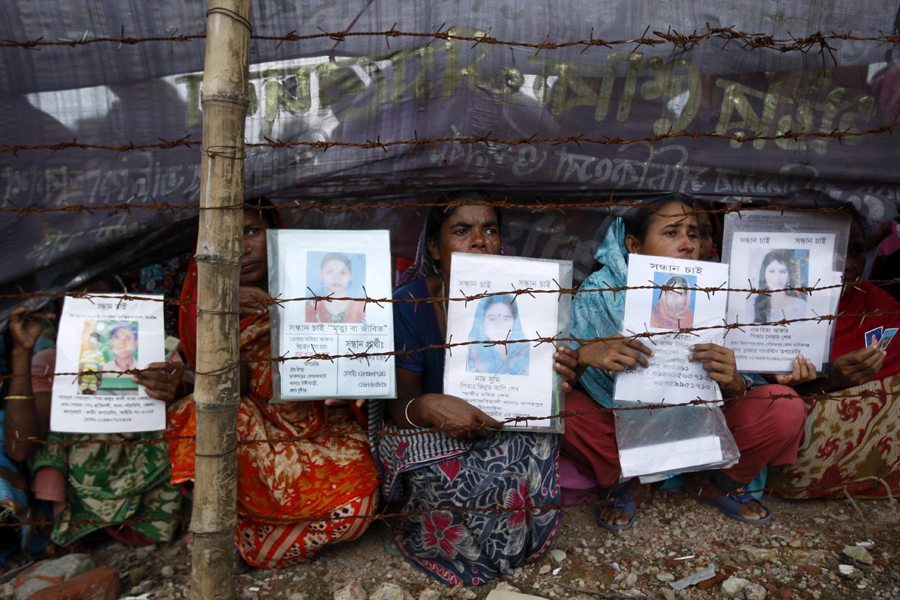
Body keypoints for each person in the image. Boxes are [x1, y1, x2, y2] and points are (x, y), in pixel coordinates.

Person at [563, 197, 809, 529]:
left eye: (694, 234)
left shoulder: (725, 292)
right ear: (635, 246)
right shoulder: (598, 293)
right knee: (566, 410)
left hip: (702, 425)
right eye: (672, 233)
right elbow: (559, 376)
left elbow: (744, 387)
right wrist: (585, 355)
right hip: (621, 426)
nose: (687, 244)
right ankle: (628, 481)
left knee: (784, 407)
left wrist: (734, 381)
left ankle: (713, 483)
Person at [369, 197, 578, 586]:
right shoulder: (411, 303)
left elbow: (536, 382)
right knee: (442, 477)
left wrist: (556, 377)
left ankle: (512, 543)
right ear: (435, 248)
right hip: (435, 431)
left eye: (490, 229)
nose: (479, 240)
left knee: (535, 447)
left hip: (506, 424)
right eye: (462, 231)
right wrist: (428, 406)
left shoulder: (529, 298)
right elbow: (400, 408)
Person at [168, 202, 380, 569]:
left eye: (252, 231)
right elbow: (230, 389)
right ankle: (241, 531)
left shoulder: (321, 290)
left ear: (276, 233)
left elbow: (352, 370)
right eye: (226, 236)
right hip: (256, 432)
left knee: (358, 508)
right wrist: (223, 307)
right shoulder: (201, 307)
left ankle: (261, 537)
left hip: (321, 428)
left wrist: (351, 383)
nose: (241, 248)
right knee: (200, 417)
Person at [5, 288, 187, 549]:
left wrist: (176, 388)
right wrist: (21, 353)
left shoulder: (158, 354)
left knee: (185, 414)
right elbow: (21, 449)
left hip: (153, 477)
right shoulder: (52, 362)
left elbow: (195, 399)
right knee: (57, 429)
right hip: (85, 485)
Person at [768, 203, 899, 499]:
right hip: (793, 465)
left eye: (856, 250)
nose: (849, 264)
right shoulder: (774, 308)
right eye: (834, 248)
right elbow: (764, 396)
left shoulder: (879, 306)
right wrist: (832, 379)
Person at [465, 294, 530, 375]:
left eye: (506, 319)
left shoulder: (526, 352)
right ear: (482, 321)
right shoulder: (472, 353)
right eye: (492, 318)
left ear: (515, 322)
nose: (499, 325)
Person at [744, 250, 808, 324]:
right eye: (772, 271)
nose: (777, 277)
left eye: (782, 271)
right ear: (764, 274)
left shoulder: (801, 306)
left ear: (789, 276)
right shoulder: (750, 305)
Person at [305, 252, 366, 323]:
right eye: (330, 272)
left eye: (342, 272)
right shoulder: (310, 307)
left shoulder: (362, 307)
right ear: (321, 275)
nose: (336, 278)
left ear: (350, 276)